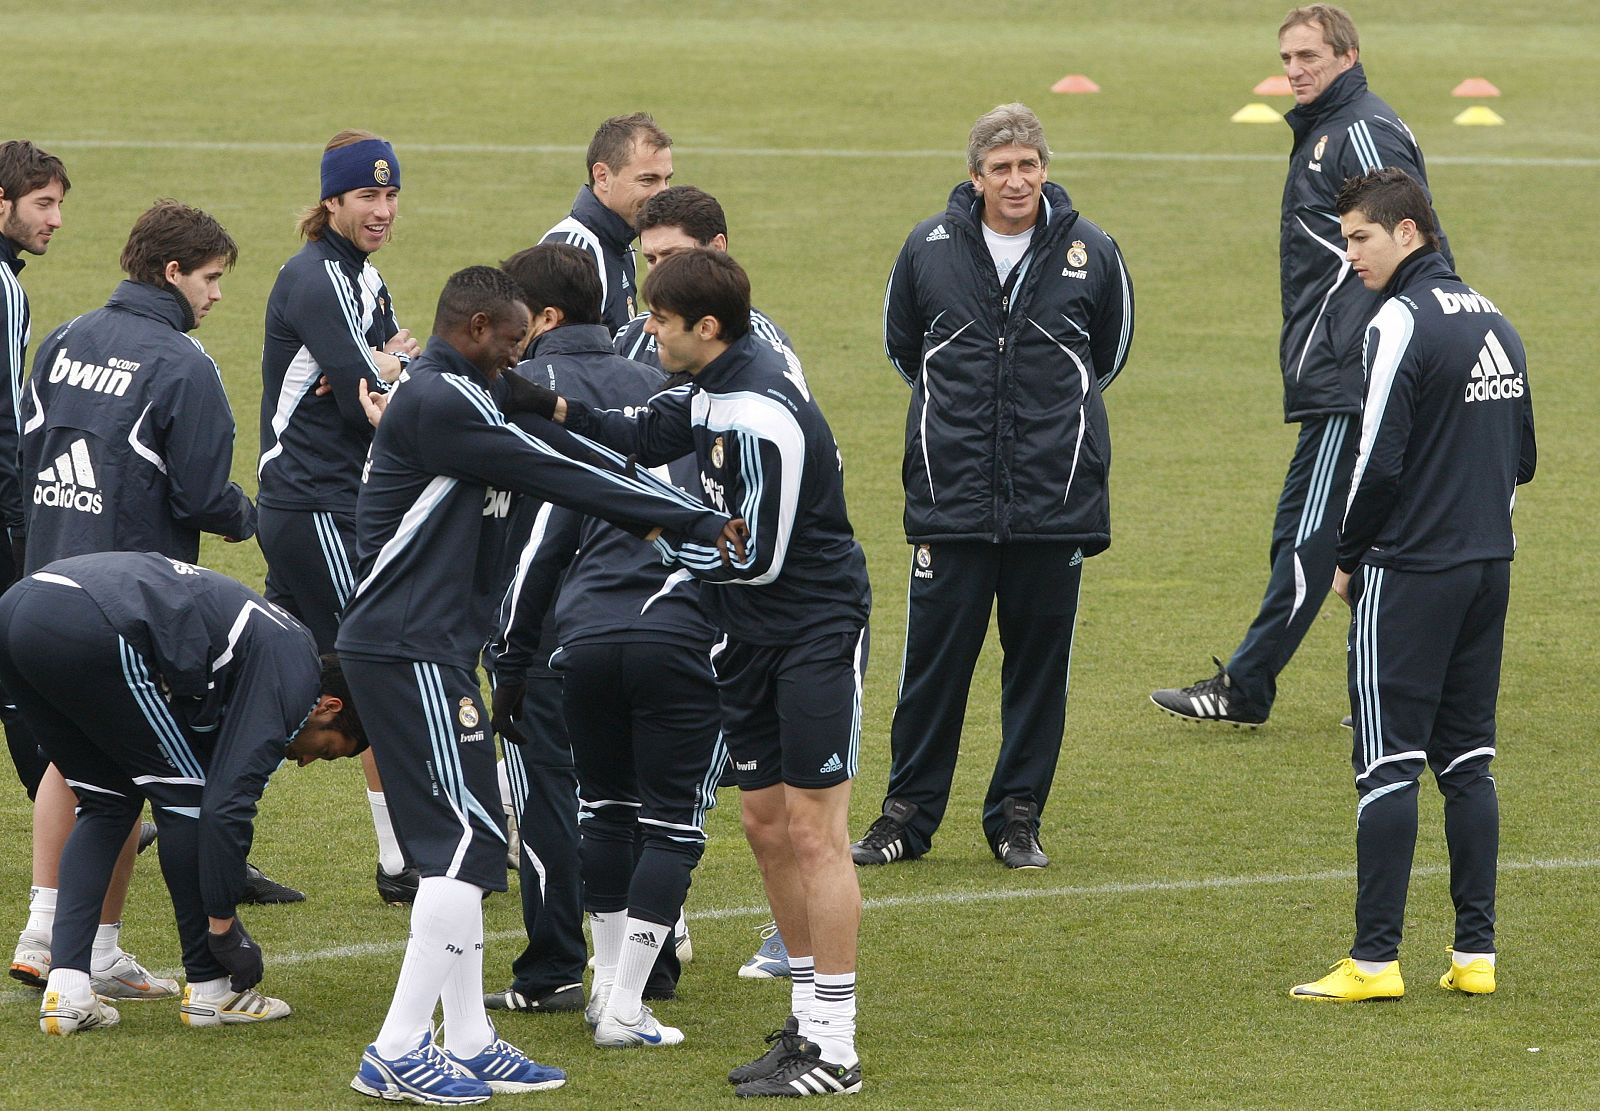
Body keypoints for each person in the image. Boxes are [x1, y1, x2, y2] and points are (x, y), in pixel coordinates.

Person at [337, 265, 738, 1104]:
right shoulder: (443, 405)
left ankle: (472, 1039)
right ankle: (398, 1047)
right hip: (407, 647)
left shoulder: (468, 392)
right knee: (461, 849)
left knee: (474, 839)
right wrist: (687, 517)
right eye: (516, 341)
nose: (525, 356)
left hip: (436, 646)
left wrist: (545, 404)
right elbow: (559, 473)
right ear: (477, 328)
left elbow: (565, 441)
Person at [516, 249, 870, 1095]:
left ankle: (836, 1043)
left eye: (659, 319)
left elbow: (757, 557)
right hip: (746, 633)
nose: (645, 328)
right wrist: (546, 404)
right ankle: (804, 1020)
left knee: (815, 829)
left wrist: (654, 532)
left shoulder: (764, 414)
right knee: (762, 823)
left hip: (813, 628)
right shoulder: (709, 384)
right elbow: (643, 431)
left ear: (704, 328)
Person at [853, 102, 1132, 872]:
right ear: (975, 176)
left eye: (1029, 164)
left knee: (1037, 672)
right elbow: (904, 352)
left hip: (1055, 501)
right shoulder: (927, 248)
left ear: (1045, 167)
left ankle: (1017, 818)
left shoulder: (1091, 249)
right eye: (1002, 167)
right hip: (952, 501)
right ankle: (906, 816)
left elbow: (1105, 356)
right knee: (932, 669)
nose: (1018, 179)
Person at [1152, 4, 1448, 728]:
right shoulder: (1332, 128)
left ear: (1347, 55)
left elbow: (1414, 240)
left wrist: (1396, 352)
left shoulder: (1360, 131)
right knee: (1375, 532)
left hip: (1356, 369)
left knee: (1312, 528)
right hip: (1350, 363)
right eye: (1286, 59)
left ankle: (1247, 683)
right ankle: (1386, 685)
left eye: (1309, 57)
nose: (1294, 71)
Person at [1290, 168, 1535, 1002]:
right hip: (1487, 566)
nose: (1349, 253)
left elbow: (1376, 456)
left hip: (1411, 571)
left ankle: (1373, 960)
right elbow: (1524, 458)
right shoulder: (1496, 315)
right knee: (1469, 762)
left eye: (1359, 237)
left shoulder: (1400, 318)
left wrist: (1349, 556)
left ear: (1408, 232)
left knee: (1387, 765)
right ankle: (1475, 956)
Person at [12, 198, 256, 1003]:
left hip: (41, 576)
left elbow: (25, 446)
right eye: (212, 278)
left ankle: (62, 929)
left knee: (73, 759)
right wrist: (244, 515)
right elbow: (196, 493)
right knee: (126, 771)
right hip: (127, 596)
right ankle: (76, 938)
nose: (217, 296)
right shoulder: (184, 364)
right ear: (172, 271)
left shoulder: (66, 334)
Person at [491, 244, 723, 1047]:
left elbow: (537, 539)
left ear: (544, 319)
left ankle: (562, 965)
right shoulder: (663, 393)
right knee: (660, 810)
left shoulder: (519, 394)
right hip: (677, 627)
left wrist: (510, 659)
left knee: (573, 801)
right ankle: (639, 973)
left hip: (566, 628)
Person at [0, 550, 369, 1035]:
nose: (304, 761)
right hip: (88, 618)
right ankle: (212, 991)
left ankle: (68, 993)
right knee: (186, 800)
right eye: (326, 751)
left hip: (17, 609)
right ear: (328, 706)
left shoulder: (276, 650)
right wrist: (223, 926)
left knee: (106, 802)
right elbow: (224, 808)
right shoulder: (293, 671)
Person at [613, 183, 795, 980]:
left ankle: (796, 936)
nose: (655, 279)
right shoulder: (639, 341)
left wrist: (679, 538)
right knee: (657, 753)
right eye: (647, 261)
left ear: (717, 254)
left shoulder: (767, 362)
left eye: (673, 259)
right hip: (669, 580)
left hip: (743, 583)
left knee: (769, 786)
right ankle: (665, 924)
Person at [258, 129, 421, 904]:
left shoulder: (360, 275)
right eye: (367, 196)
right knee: (378, 663)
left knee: (269, 676)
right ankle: (405, 860)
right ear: (332, 201)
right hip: (315, 499)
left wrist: (384, 366)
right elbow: (370, 401)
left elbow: (383, 374)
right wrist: (384, 365)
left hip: (321, 500)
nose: (382, 209)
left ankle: (211, 827)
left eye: (390, 195)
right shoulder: (317, 279)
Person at [541, 113, 673, 335]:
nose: (662, 194)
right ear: (602, 176)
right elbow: (557, 363)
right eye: (648, 180)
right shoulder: (572, 252)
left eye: (667, 179)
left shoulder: (620, 241)